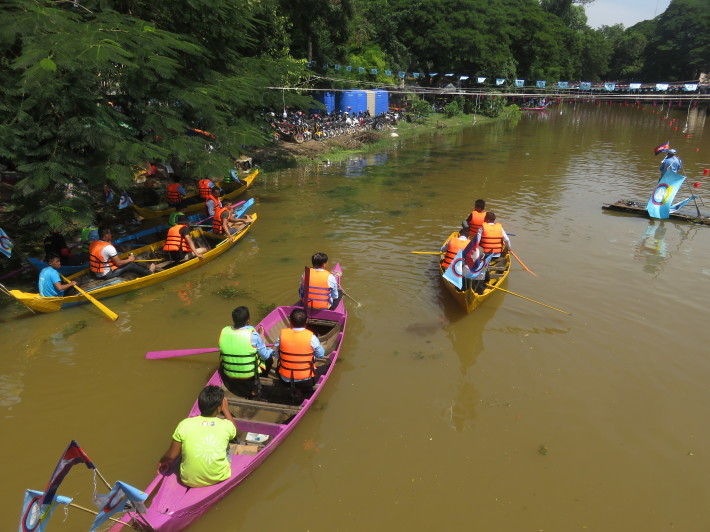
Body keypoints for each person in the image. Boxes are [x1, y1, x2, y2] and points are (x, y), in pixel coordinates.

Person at [156, 386, 237, 488]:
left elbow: (171, 456)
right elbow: (234, 429)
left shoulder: (184, 424)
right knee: (228, 445)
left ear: (199, 405)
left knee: (183, 446)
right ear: (219, 407)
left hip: (188, 480)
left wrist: (162, 460)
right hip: (219, 477)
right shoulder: (226, 425)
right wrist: (226, 410)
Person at [218, 306, 275, 398]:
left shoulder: (224, 332)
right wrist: (271, 348)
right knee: (269, 359)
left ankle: (233, 383)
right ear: (248, 320)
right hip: (249, 375)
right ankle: (256, 387)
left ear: (233, 319)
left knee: (222, 355)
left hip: (229, 374)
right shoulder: (253, 335)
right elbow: (265, 355)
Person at [274, 308, 326, 389]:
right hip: (306, 381)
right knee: (326, 367)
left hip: (284, 380)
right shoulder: (312, 337)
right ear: (306, 321)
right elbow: (321, 355)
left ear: (290, 321)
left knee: (278, 369)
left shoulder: (282, 335)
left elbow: (277, 355)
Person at [89, 227, 155, 280]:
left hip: (97, 273)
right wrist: (130, 259)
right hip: (106, 275)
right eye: (110, 234)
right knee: (132, 265)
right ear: (106, 235)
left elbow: (103, 255)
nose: (111, 235)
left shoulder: (93, 244)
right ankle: (149, 272)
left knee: (123, 260)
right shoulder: (108, 248)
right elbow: (118, 263)